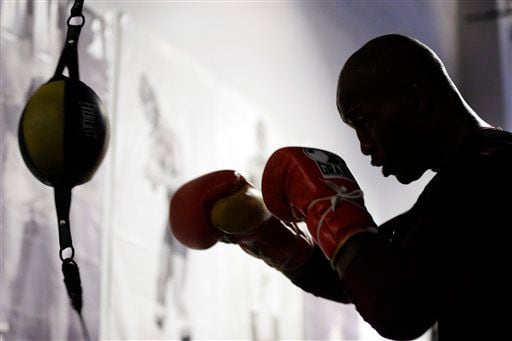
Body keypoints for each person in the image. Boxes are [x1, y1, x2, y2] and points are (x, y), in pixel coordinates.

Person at [170, 34, 512, 340]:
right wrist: (267, 236)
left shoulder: (491, 172)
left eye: (365, 120)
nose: (364, 146)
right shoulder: (469, 176)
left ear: (417, 98)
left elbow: (398, 310)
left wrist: (327, 203)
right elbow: (365, 280)